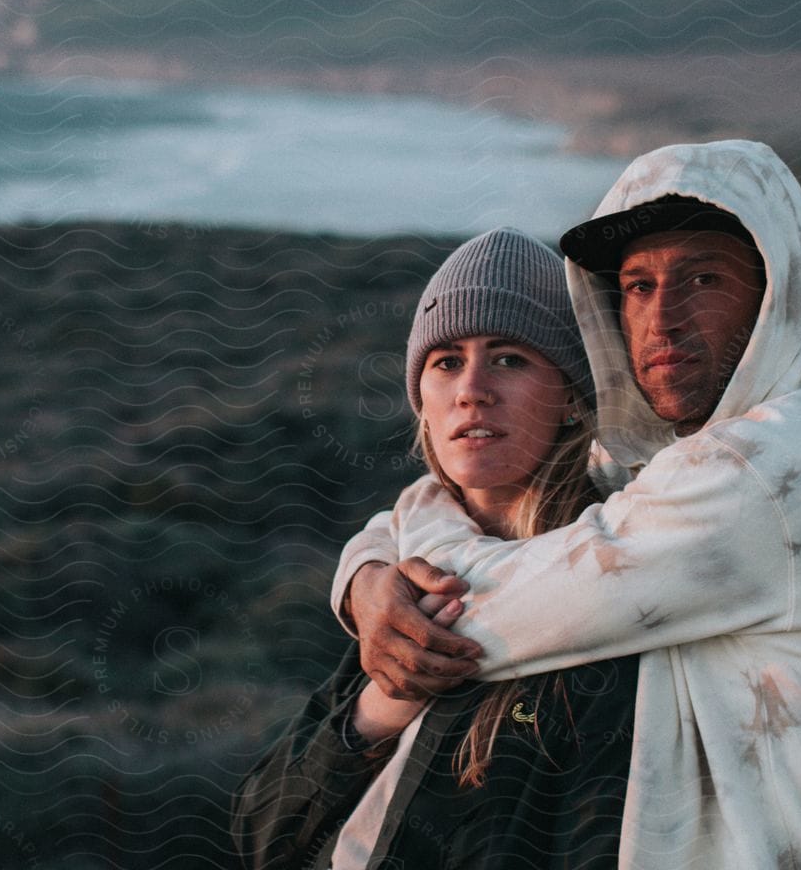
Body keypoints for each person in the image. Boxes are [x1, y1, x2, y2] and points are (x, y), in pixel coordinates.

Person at [332, 140, 801, 869]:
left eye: (703, 278)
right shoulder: (707, 457)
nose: (662, 319)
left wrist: (377, 580)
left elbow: (473, 613)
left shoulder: (760, 473)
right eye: (637, 286)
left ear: (777, 294)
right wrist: (368, 569)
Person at [231, 227, 639, 869]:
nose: (471, 387)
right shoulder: (412, 580)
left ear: (570, 396)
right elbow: (262, 831)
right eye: (446, 360)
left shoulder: (620, 581)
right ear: (422, 397)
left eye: (510, 358)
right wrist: (377, 708)